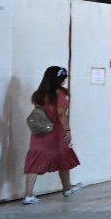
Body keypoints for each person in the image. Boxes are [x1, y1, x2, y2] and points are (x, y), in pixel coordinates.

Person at [22, 66, 81, 203]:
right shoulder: (59, 94)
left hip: (39, 131)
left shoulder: (39, 93)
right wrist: (67, 130)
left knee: (35, 161)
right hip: (55, 133)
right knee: (63, 159)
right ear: (60, 79)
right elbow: (61, 114)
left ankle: (28, 195)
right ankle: (67, 189)